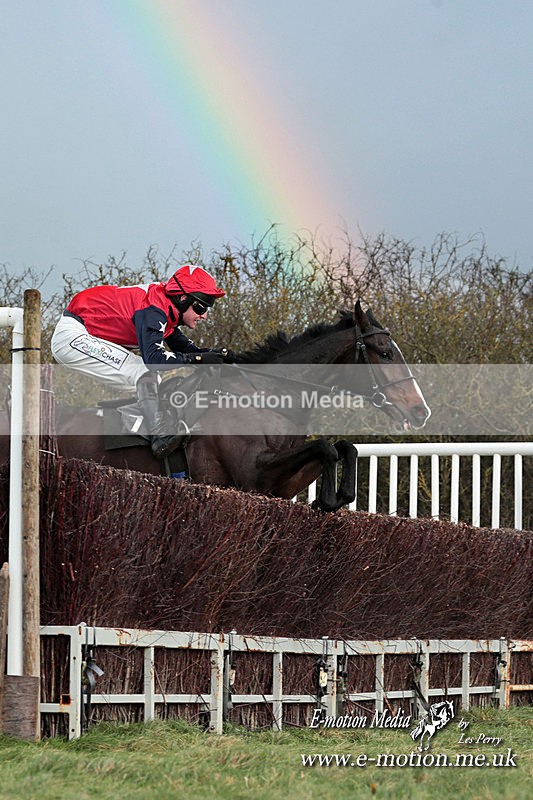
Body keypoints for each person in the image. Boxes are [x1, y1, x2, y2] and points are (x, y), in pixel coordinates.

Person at [51, 264, 234, 459]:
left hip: (84, 329)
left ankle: (137, 428)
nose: (204, 315)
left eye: (207, 308)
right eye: (200, 306)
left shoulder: (165, 305)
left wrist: (216, 356)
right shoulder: (154, 311)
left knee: (150, 382)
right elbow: (155, 360)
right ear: (182, 298)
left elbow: (188, 350)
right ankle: (159, 436)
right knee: (144, 372)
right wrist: (198, 358)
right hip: (72, 337)